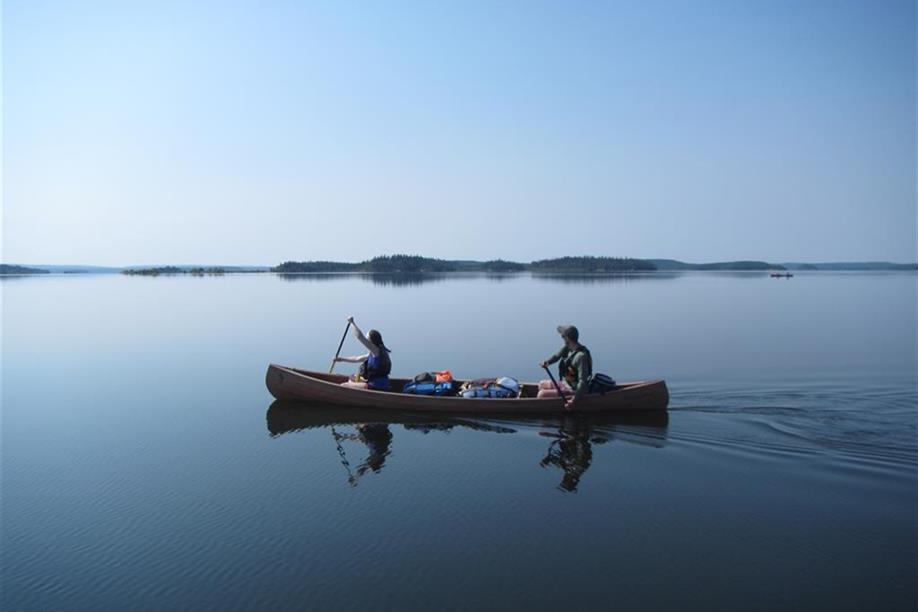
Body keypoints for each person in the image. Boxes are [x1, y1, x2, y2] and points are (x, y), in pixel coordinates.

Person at [539, 324, 592, 410]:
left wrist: (573, 401)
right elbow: (556, 356)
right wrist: (547, 362)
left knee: (541, 394)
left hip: (574, 390)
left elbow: (583, 382)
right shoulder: (567, 347)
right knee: (541, 384)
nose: (561, 337)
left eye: (562, 336)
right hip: (566, 383)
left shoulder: (581, 357)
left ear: (567, 338)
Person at [333, 316, 392, 390]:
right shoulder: (375, 353)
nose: (366, 339)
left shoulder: (376, 351)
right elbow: (357, 359)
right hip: (377, 383)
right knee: (352, 378)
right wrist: (340, 359)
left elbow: (360, 337)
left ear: (371, 341)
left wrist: (352, 323)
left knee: (343, 385)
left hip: (376, 386)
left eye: (367, 338)